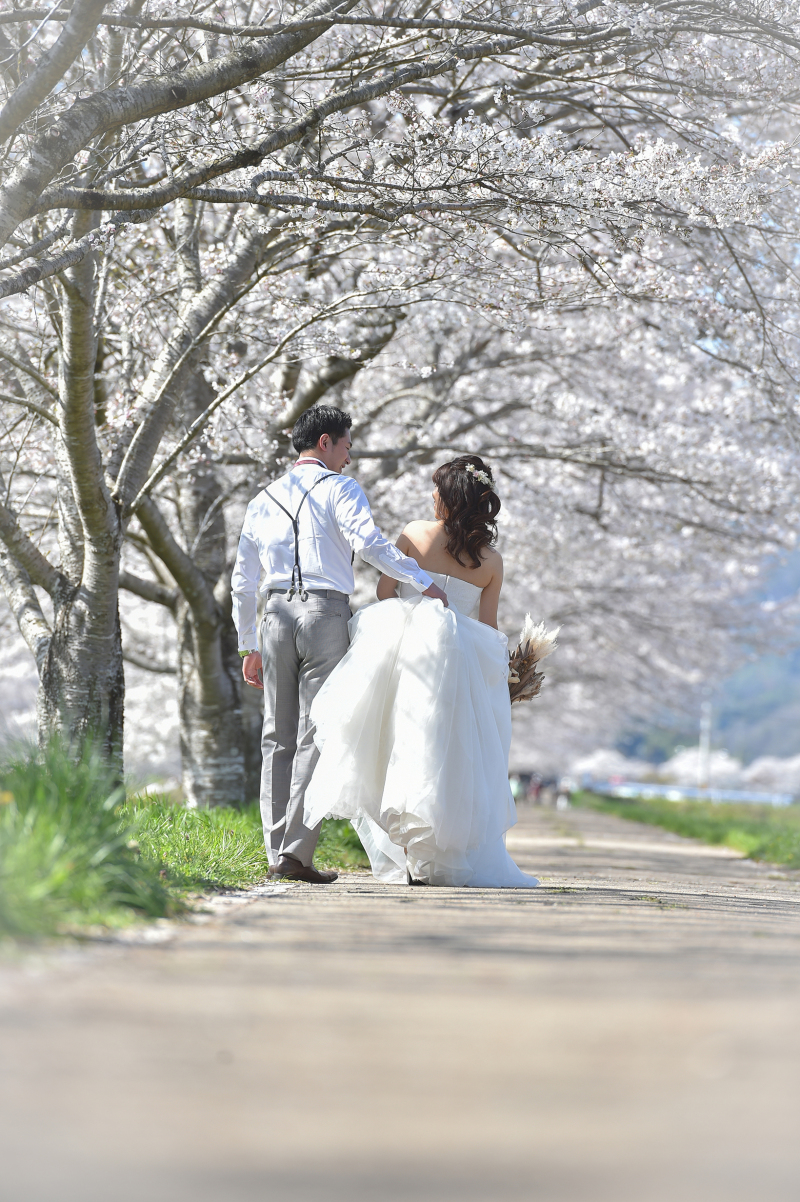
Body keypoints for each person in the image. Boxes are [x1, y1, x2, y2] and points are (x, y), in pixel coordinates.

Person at [231, 405, 448, 884]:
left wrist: (247, 644)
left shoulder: (261, 499)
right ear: (326, 442)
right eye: (347, 446)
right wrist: (419, 579)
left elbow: (243, 581)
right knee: (317, 731)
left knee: (275, 736)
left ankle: (276, 852)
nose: (350, 458)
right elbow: (367, 542)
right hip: (324, 612)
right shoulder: (339, 488)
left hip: (272, 616)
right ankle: (295, 852)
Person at [304, 455, 539, 888]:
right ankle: (434, 853)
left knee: (395, 740)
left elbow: (384, 590)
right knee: (446, 751)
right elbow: (488, 627)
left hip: (404, 648)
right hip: (461, 659)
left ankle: (406, 848)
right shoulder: (491, 560)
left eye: (437, 490)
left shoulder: (414, 533)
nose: (432, 496)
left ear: (449, 497)